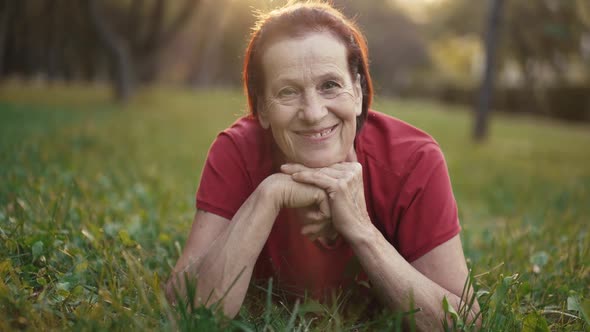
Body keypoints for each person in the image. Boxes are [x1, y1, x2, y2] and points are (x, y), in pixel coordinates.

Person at [166, 2, 479, 330]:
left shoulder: (414, 161)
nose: (313, 113)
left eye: (330, 85)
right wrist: (268, 196)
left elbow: (463, 323)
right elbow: (187, 310)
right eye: (288, 92)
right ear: (261, 107)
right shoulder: (236, 151)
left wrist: (360, 228)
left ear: (357, 91)